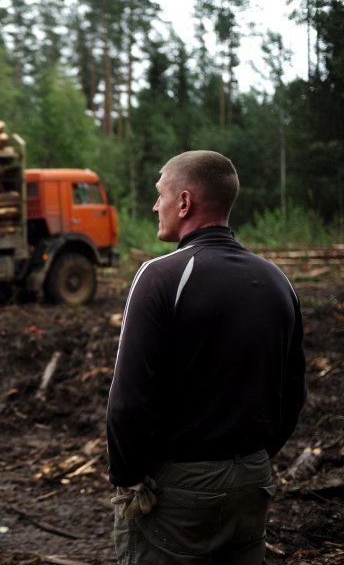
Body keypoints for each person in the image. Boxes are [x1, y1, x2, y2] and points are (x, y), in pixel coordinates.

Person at [106, 150, 306, 563]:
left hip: (179, 490)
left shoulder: (159, 276)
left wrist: (126, 477)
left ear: (184, 202)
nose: (154, 205)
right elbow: (294, 391)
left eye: (160, 194)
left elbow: (128, 401)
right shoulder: (277, 281)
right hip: (253, 481)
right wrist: (254, 461)